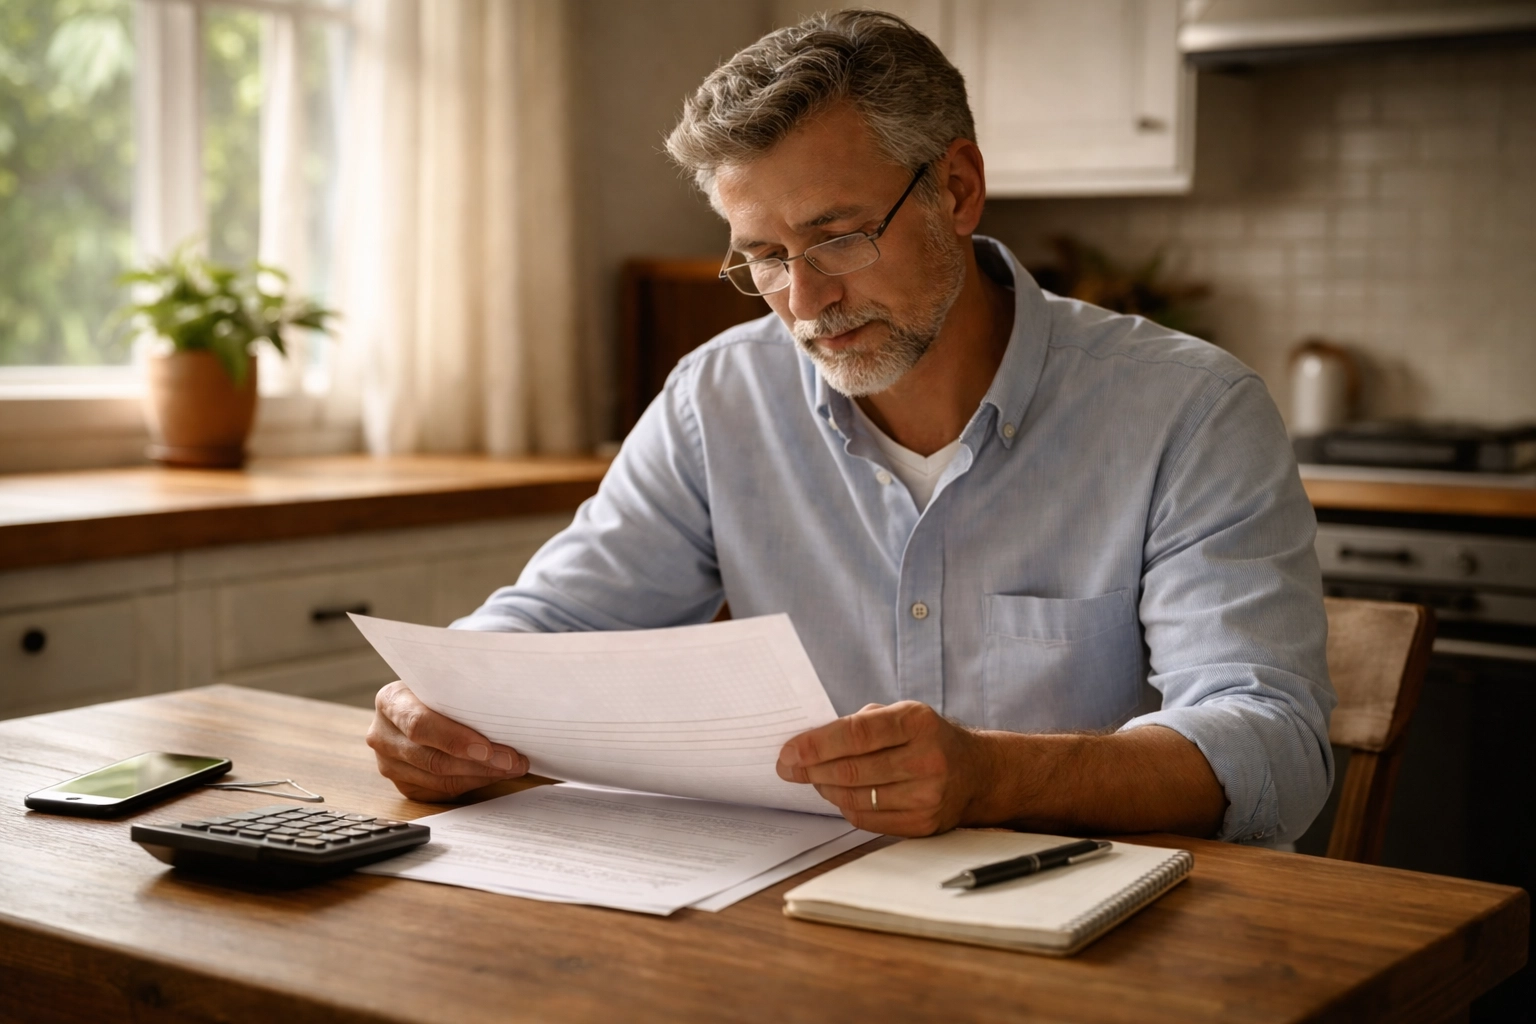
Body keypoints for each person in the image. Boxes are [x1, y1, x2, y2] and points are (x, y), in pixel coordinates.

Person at [367, 10, 1335, 844]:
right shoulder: (719, 400)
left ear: (957, 189)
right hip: (810, 931)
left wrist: (995, 776)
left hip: (1108, 943)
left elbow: (1275, 748)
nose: (804, 300)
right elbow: (550, 627)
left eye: (837, 236)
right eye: (764, 257)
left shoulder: (1189, 411)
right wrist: (437, 709)